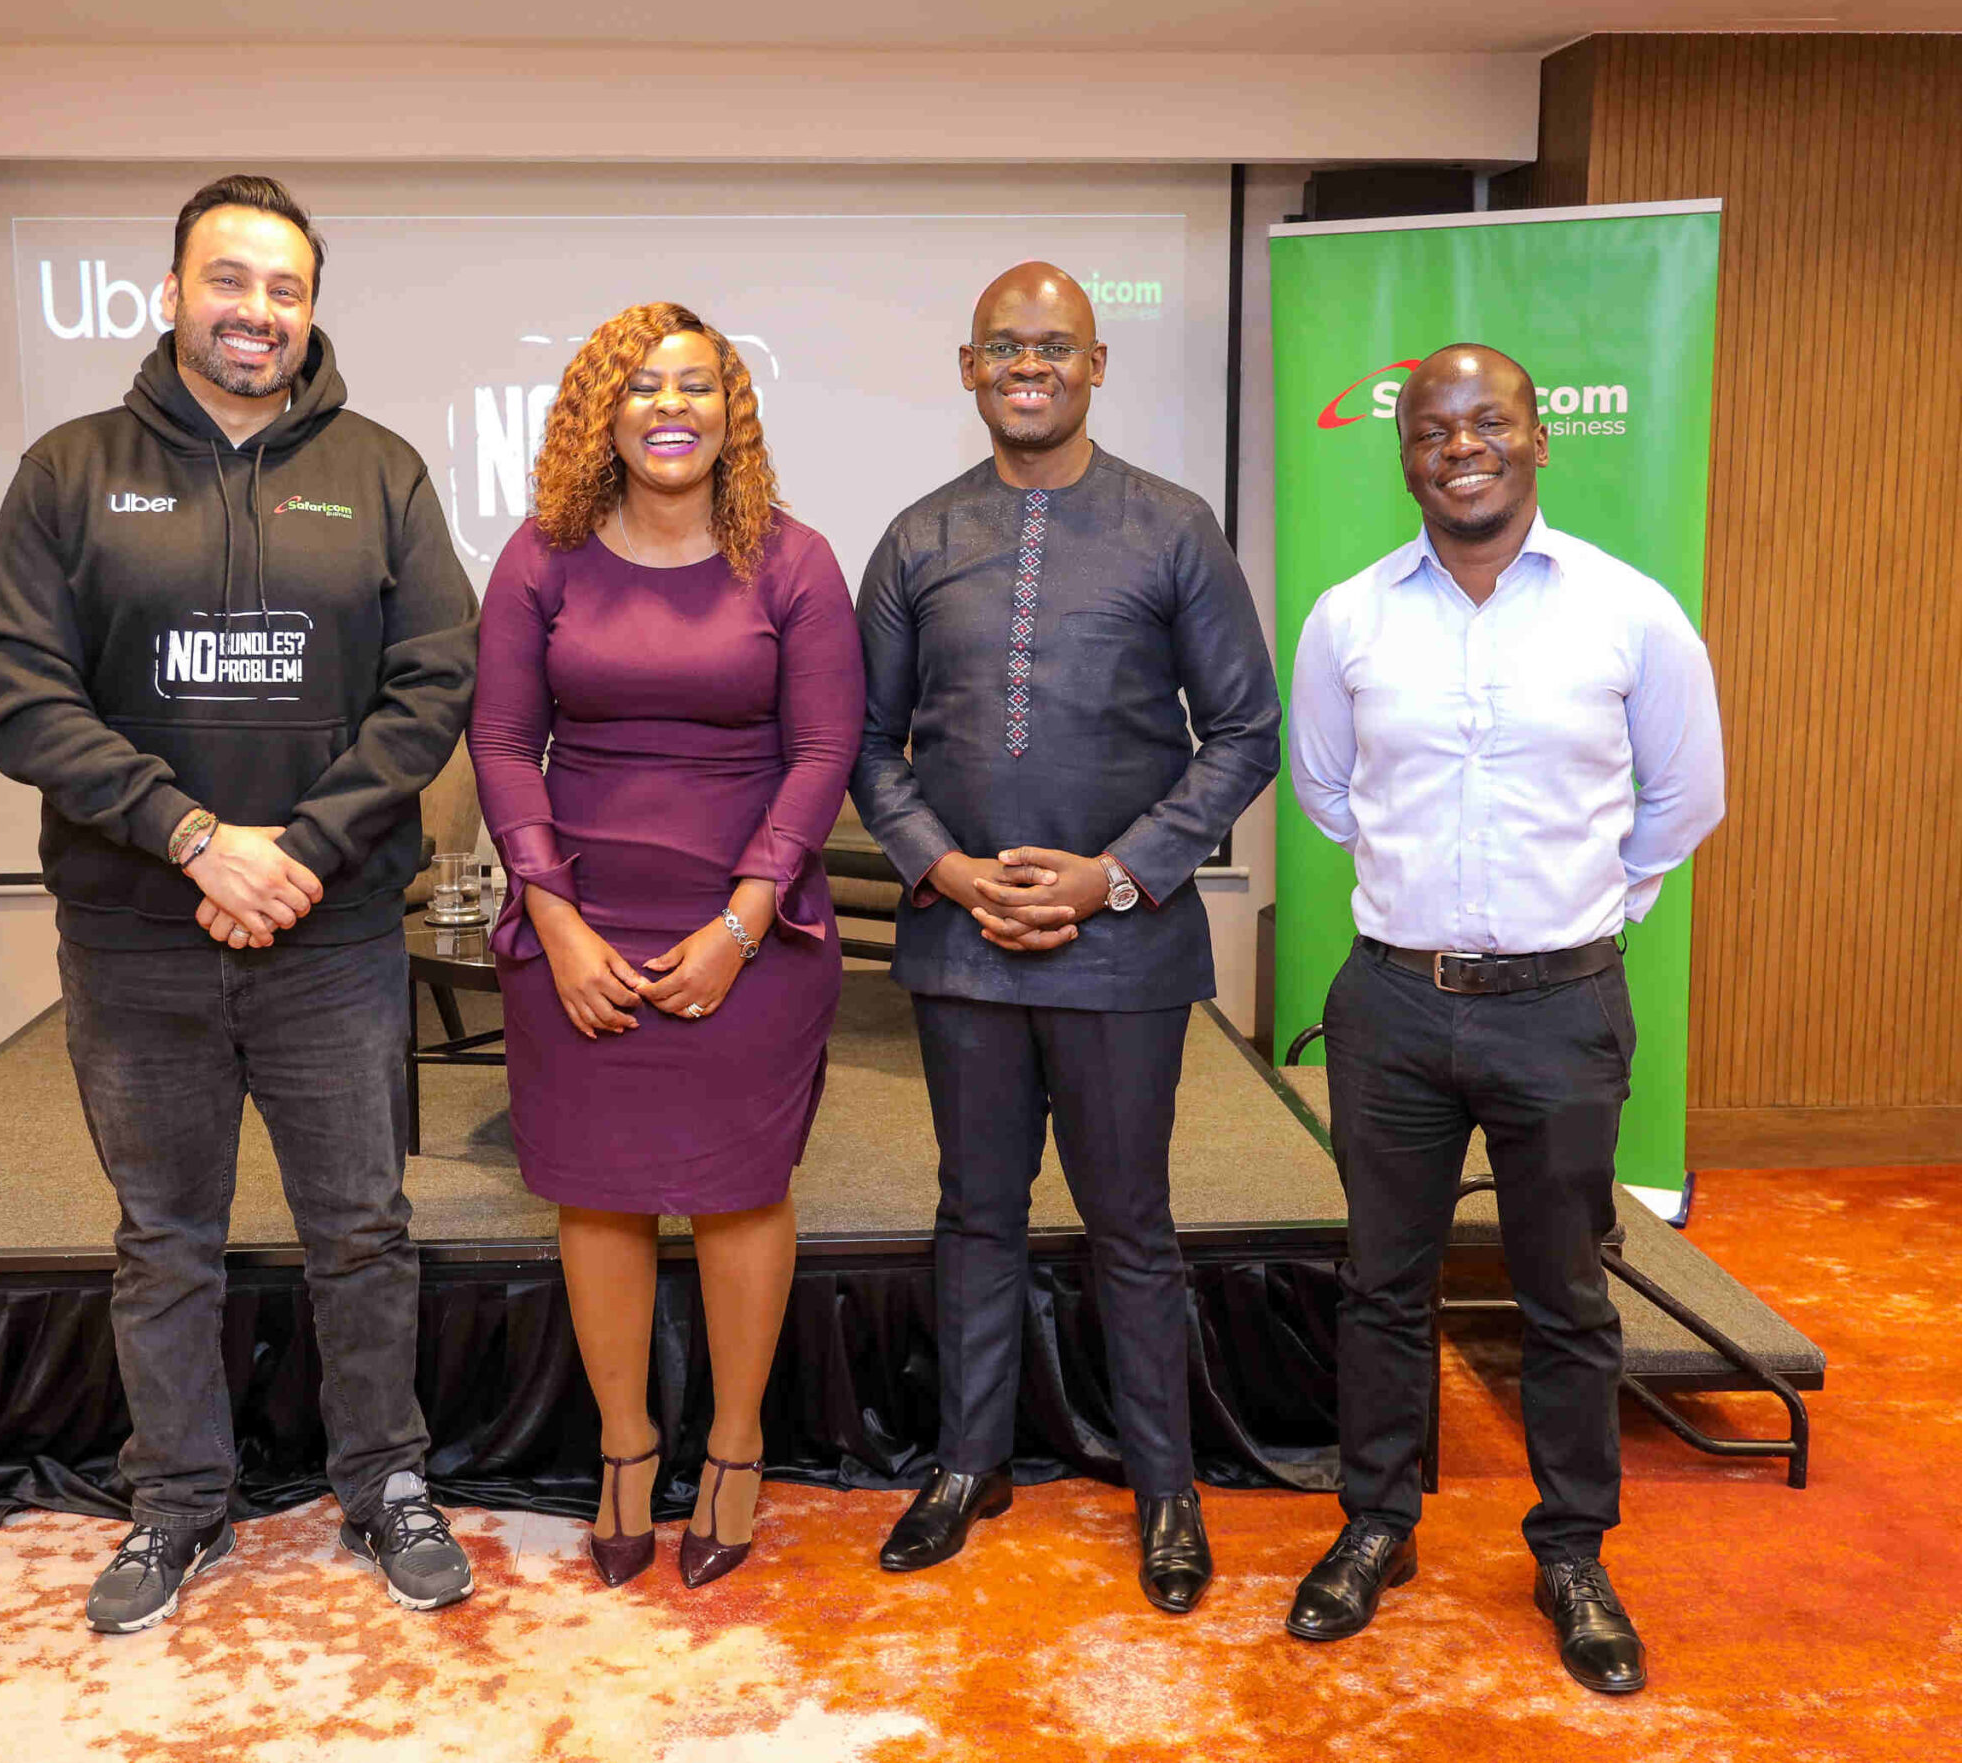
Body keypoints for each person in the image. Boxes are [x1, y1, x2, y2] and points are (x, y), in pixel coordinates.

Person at [0, 175, 480, 1633]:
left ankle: (386, 1484)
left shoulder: (380, 471)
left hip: (332, 938)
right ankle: (178, 1506)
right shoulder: (69, 471)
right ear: (173, 291)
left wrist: (298, 851)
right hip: (137, 938)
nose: (257, 311)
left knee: (362, 1231)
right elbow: (19, 692)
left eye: (285, 288)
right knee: (166, 1238)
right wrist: (196, 839)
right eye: (229, 280)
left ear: (313, 307)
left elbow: (436, 680)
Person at [1284, 343, 1724, 1693]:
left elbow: (1684, 799)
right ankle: (1375, 1524)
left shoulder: (1629, 613)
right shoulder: (1348, 618)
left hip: (1562, 1006)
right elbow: (1324, 788)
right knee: (1382, 1281)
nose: (1459, 445)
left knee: (1567, 1295)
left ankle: (1574, 1549)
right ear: (1403, 449)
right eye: (1432, 427)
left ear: (1540, 438)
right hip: (1393, 1003)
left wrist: (1590, 906)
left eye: (1488, 422)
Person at [851, 263, 1280, 1608]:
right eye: (1001, 347)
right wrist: (949, 871)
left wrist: (1112, 878)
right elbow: (865, 745)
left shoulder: (1172, 527)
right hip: (963, 943)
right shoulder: (916, 538)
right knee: (974, 1211)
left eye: (1053, 346)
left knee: (1131, 1220)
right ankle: (969, 1461)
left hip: (1123, 946)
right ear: (967, 369)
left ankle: (1165, 1485)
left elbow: (1247, 732)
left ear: (1096, 364)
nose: (1026, 366)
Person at [467, 302, 863, 1591]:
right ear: (602, 410)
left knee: (741, 1188)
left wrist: (743, 923)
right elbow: (500, 744)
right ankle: (627, 1449)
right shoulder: (542, 557)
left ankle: (738, 1448)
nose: (671, 404)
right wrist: (558, 919)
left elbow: (821, 753)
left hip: (751, 929)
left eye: (697, 383)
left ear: (733, 410)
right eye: (640, 385)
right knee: (600, 1189)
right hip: (580, 922)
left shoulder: (795, 563)